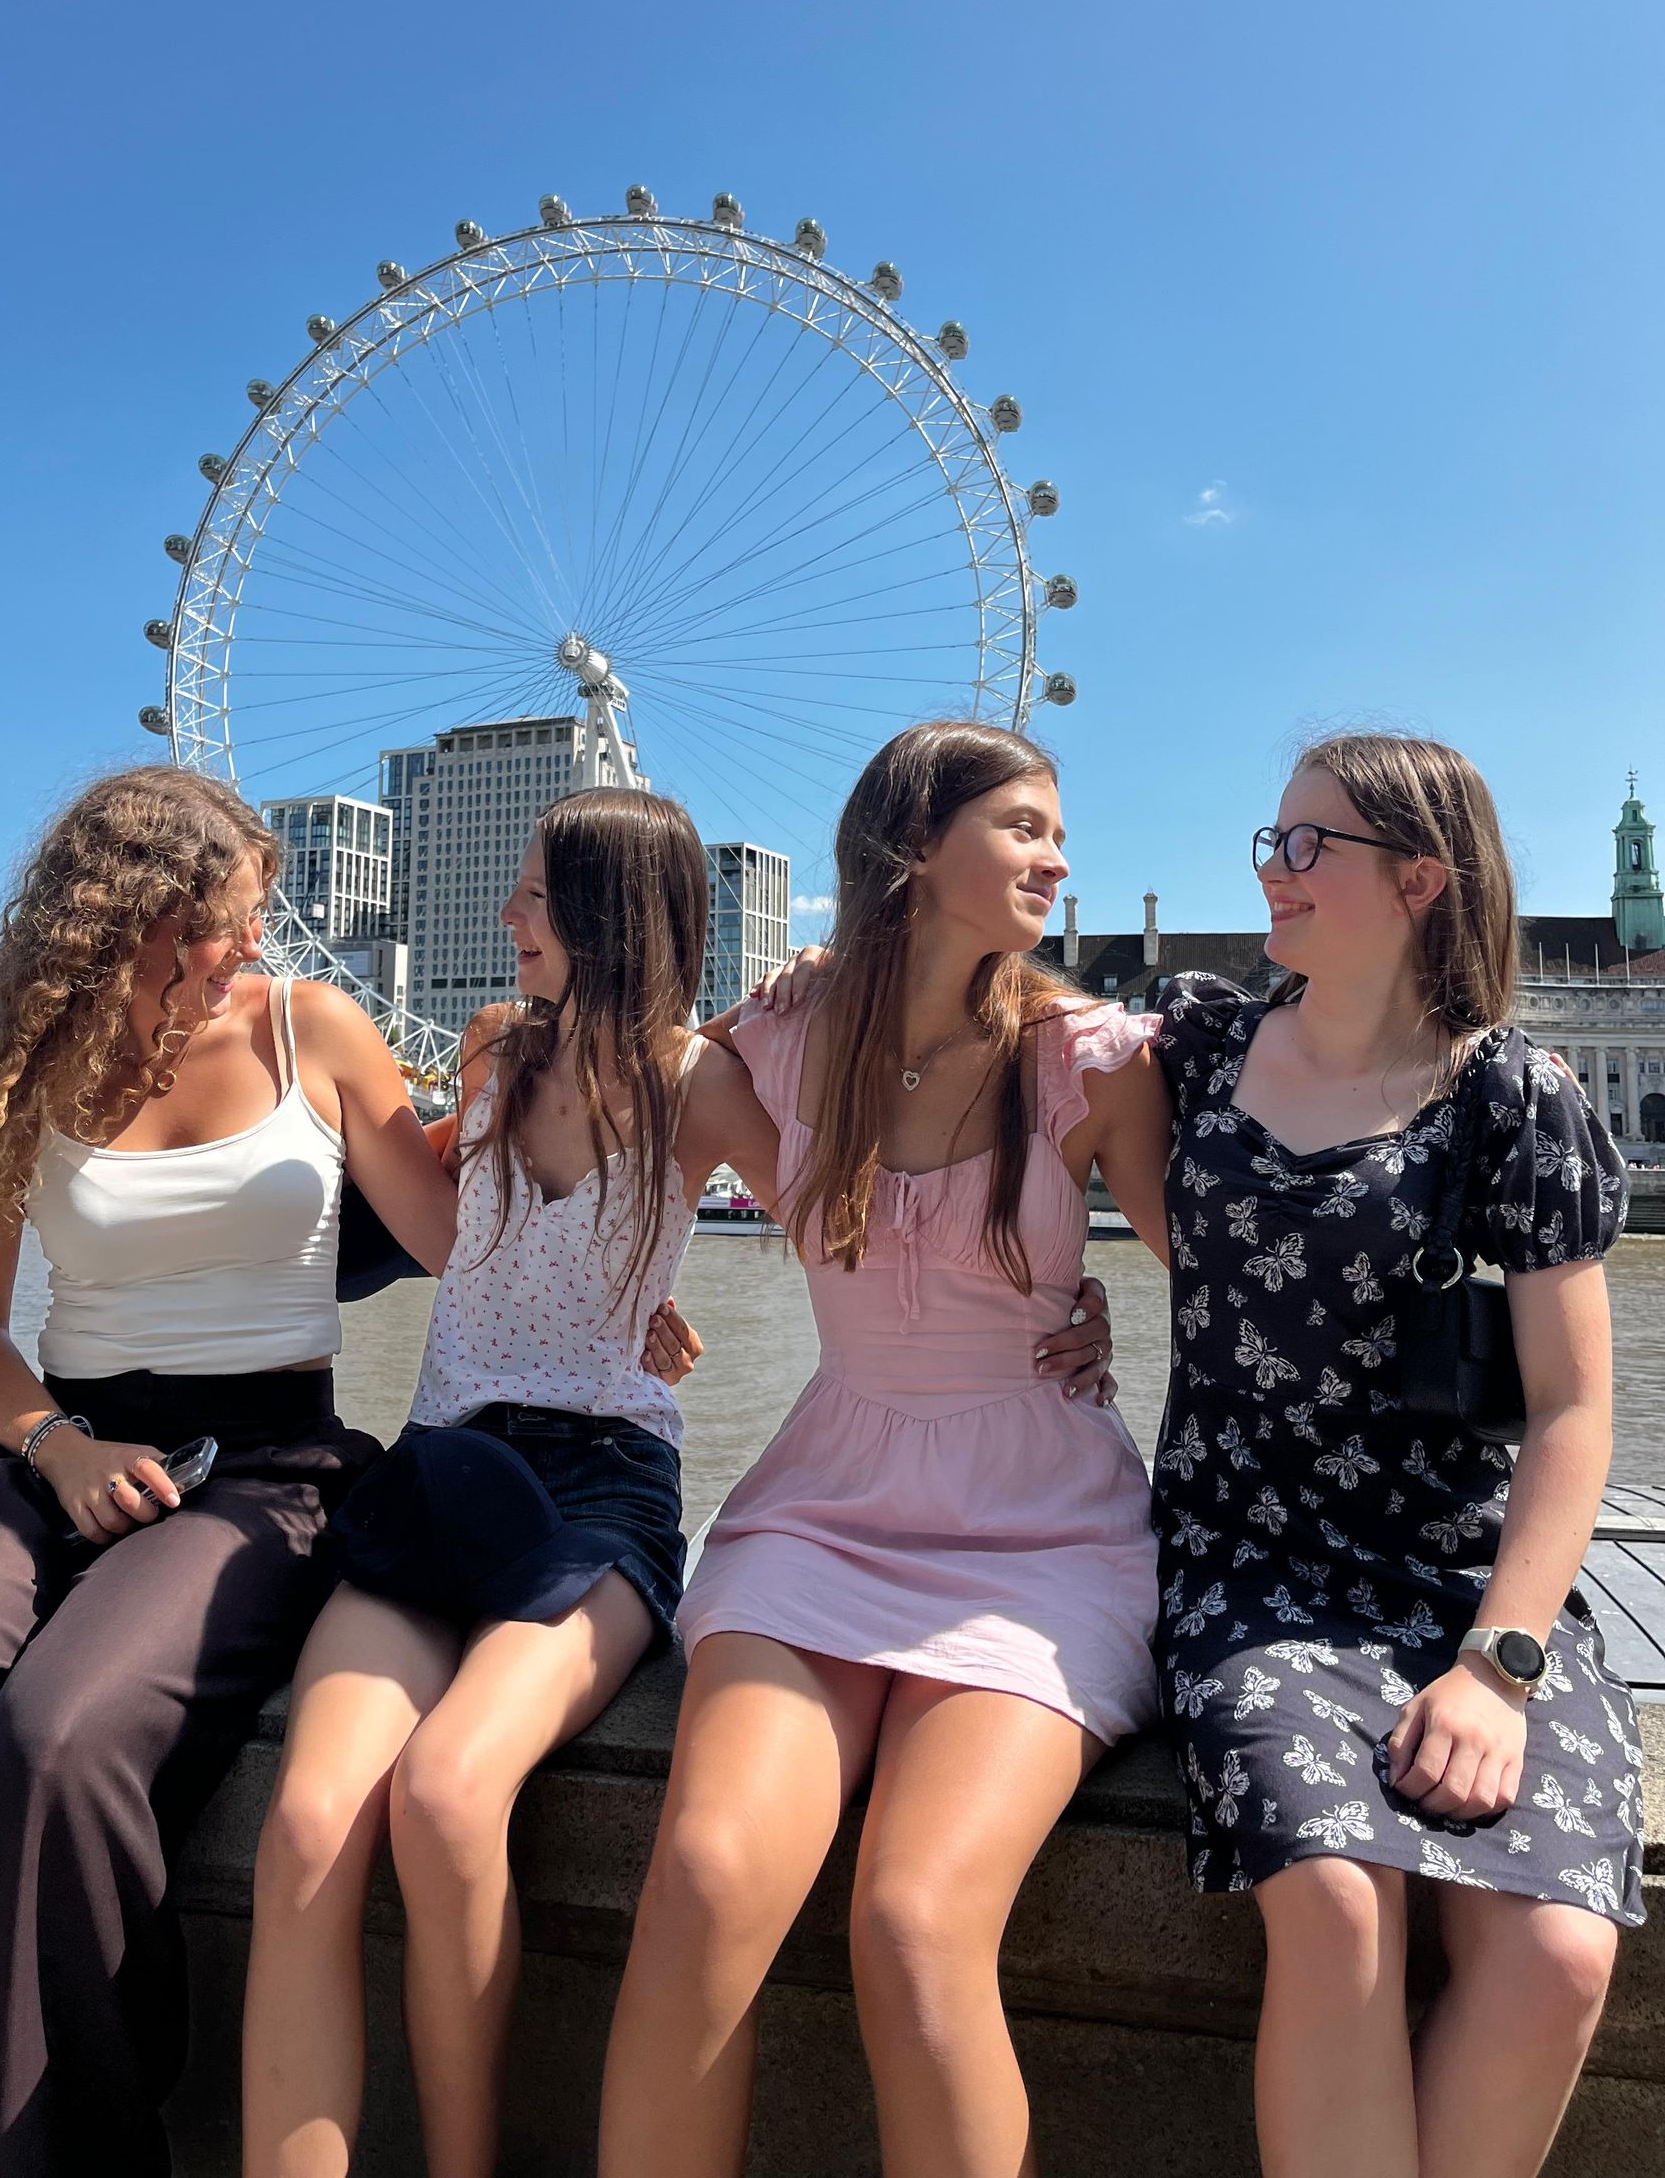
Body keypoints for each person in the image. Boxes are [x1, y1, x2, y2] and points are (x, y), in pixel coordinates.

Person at [241, 779, 1123, 2178]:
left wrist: (1071, 1304)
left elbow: (864, 1237)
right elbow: (428, 1229)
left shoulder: (700, 1079)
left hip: (597, 1491)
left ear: (602, 913)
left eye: (533, 893)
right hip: (440, 1466)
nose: (506, 915)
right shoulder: (485, 1048)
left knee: (450, 1796)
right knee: (304, 1818)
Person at [0, 766, 460, 2178]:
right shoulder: (11, 1062)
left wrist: (565, 1118)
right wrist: (63, 1450)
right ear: (123, 922)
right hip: (53, 1443)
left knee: (66, 1735)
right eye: (224, 925)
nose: (253, 952)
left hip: (269, 1463)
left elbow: (459, 1236)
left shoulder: (310, 1028)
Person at [598, 721, 1172, 2178]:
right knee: (708, 1876)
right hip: (825, 1513)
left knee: (914, 1923)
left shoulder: (1094, 1060)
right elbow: (592, 1158)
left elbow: (1236, 1291)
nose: (1057, 855)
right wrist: (639, 1290)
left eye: (1058, 828)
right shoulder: (781, 1040)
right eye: (1025, 825)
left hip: (1042, 1533)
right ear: (915, 847)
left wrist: (1097, 1300)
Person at [1148, 733, 1642, 2178]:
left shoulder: (1511, 1096)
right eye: (1272, 838)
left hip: (1461, 1582)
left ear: (1419, 879)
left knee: (1557, 1955)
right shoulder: (1198, 1049)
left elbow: (1572, 1409)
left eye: (1311, 846)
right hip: (1253, 1570)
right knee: (1335, 1906)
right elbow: (984, 1069)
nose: (1271, 870)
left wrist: (1501, 1661)